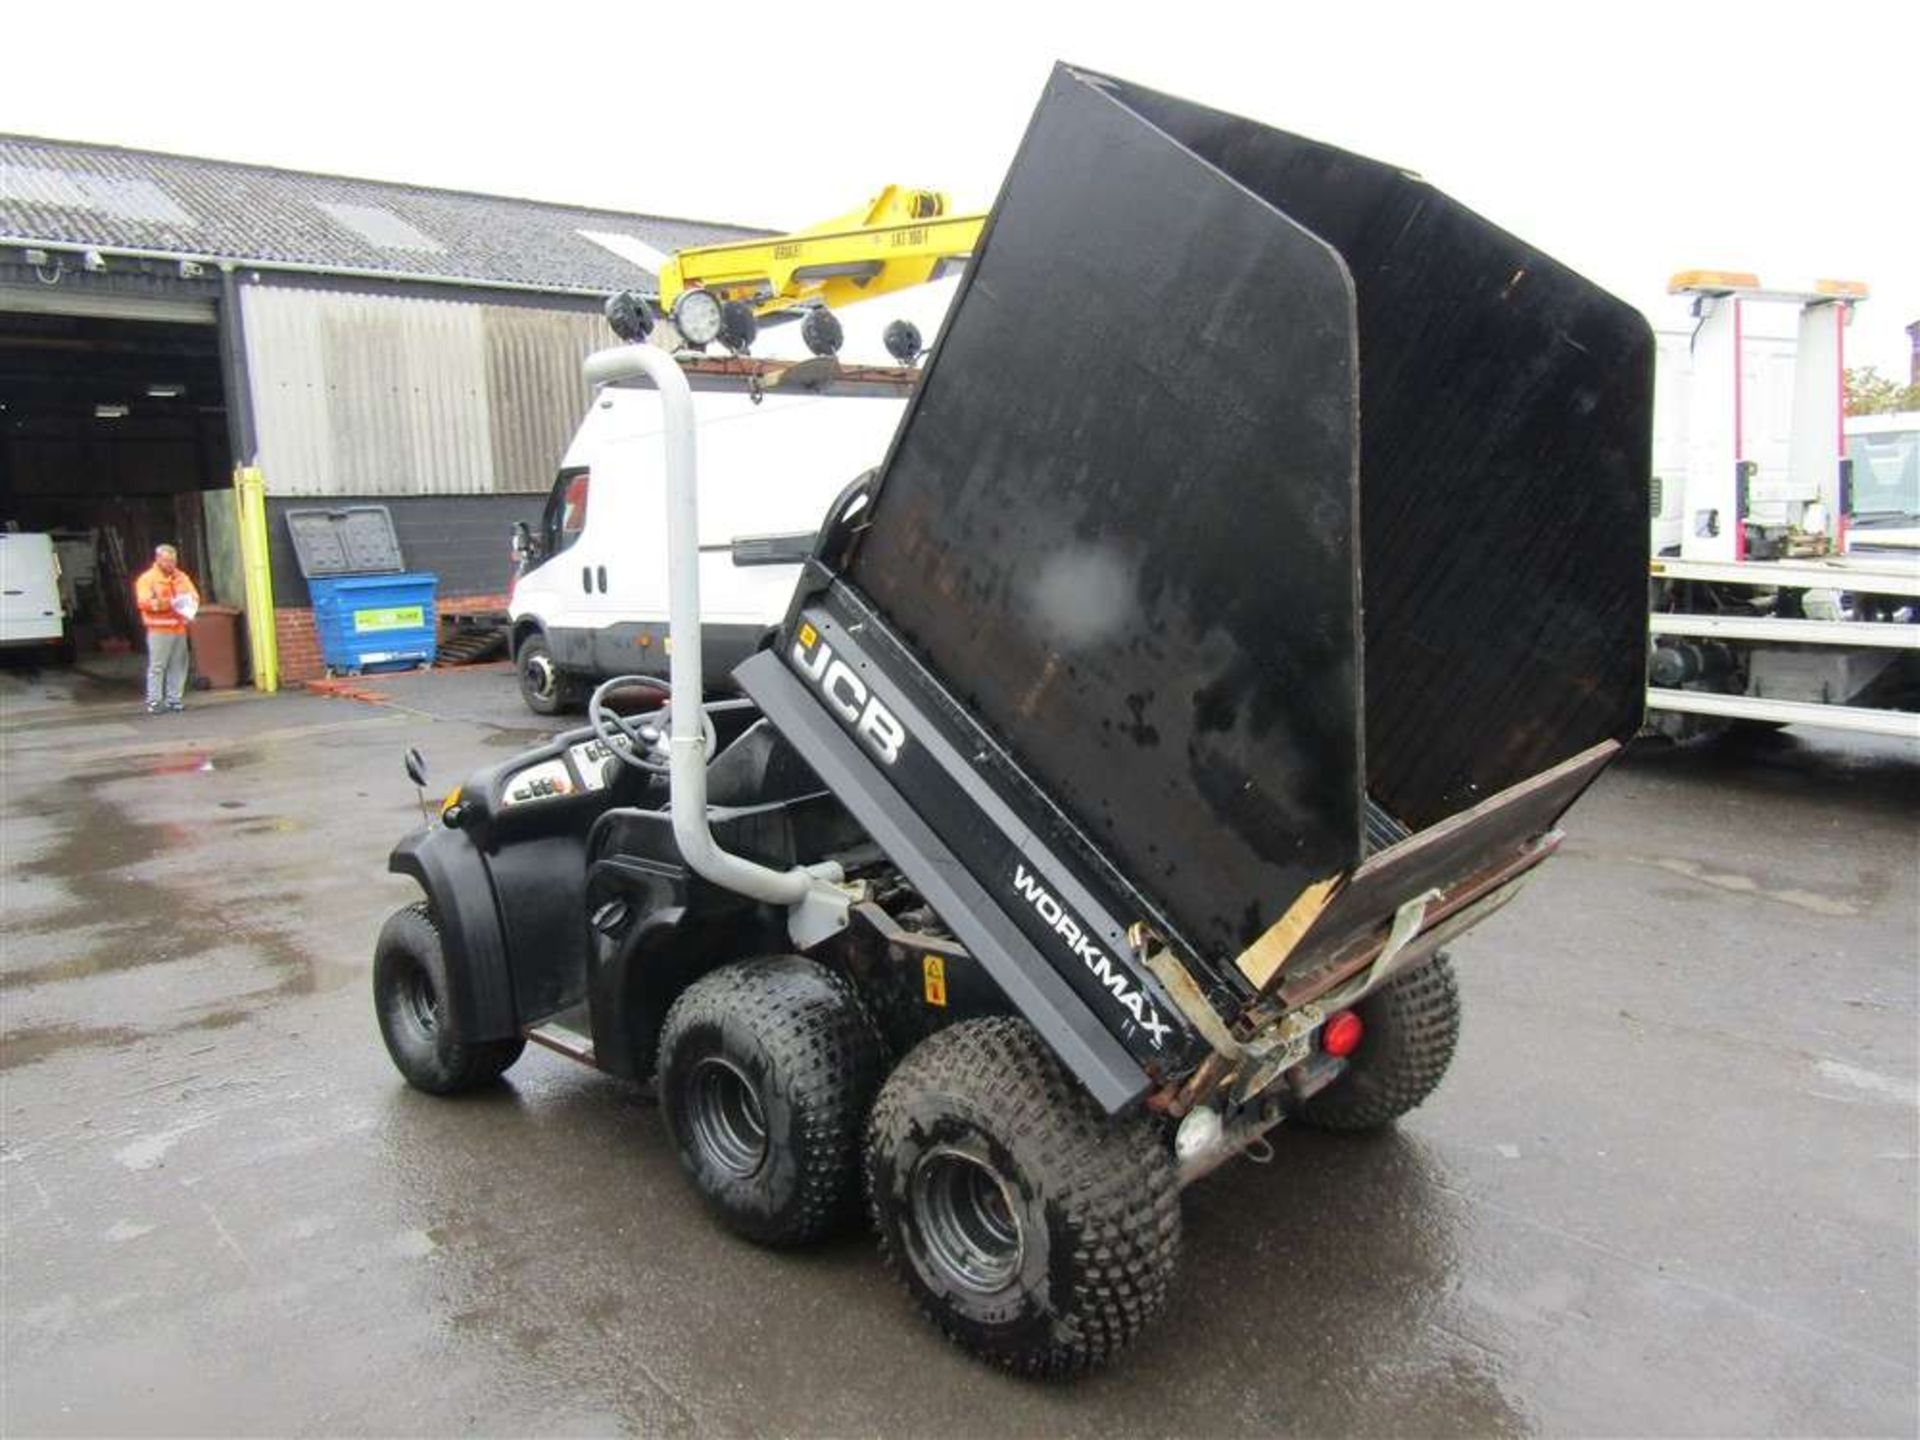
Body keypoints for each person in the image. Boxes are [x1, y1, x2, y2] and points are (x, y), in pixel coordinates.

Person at [134, 544, 200, 714]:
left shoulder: (181, 577)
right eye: (166, 560)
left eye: (173, 560)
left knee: (178, 665)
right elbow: (144, 602)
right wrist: (169, 603)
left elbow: (193, 596)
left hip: (179, 628)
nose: (170, 564)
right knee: (158, 666)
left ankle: (174, 699)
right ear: (157, 559)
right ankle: (154, 701)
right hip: (159, 629)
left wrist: (189, 604)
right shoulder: (147, 579)